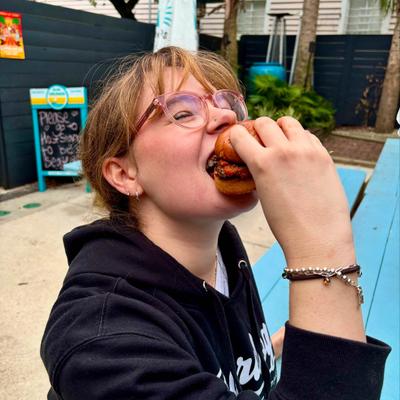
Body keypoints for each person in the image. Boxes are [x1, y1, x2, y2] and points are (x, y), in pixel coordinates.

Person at [41, 47, 390, 400]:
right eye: (182, 111)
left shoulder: (223, 248)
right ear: (125, 173)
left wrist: (274, 347)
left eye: (228, 104)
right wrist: (322, 246)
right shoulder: (105, 343)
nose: (225, 118)